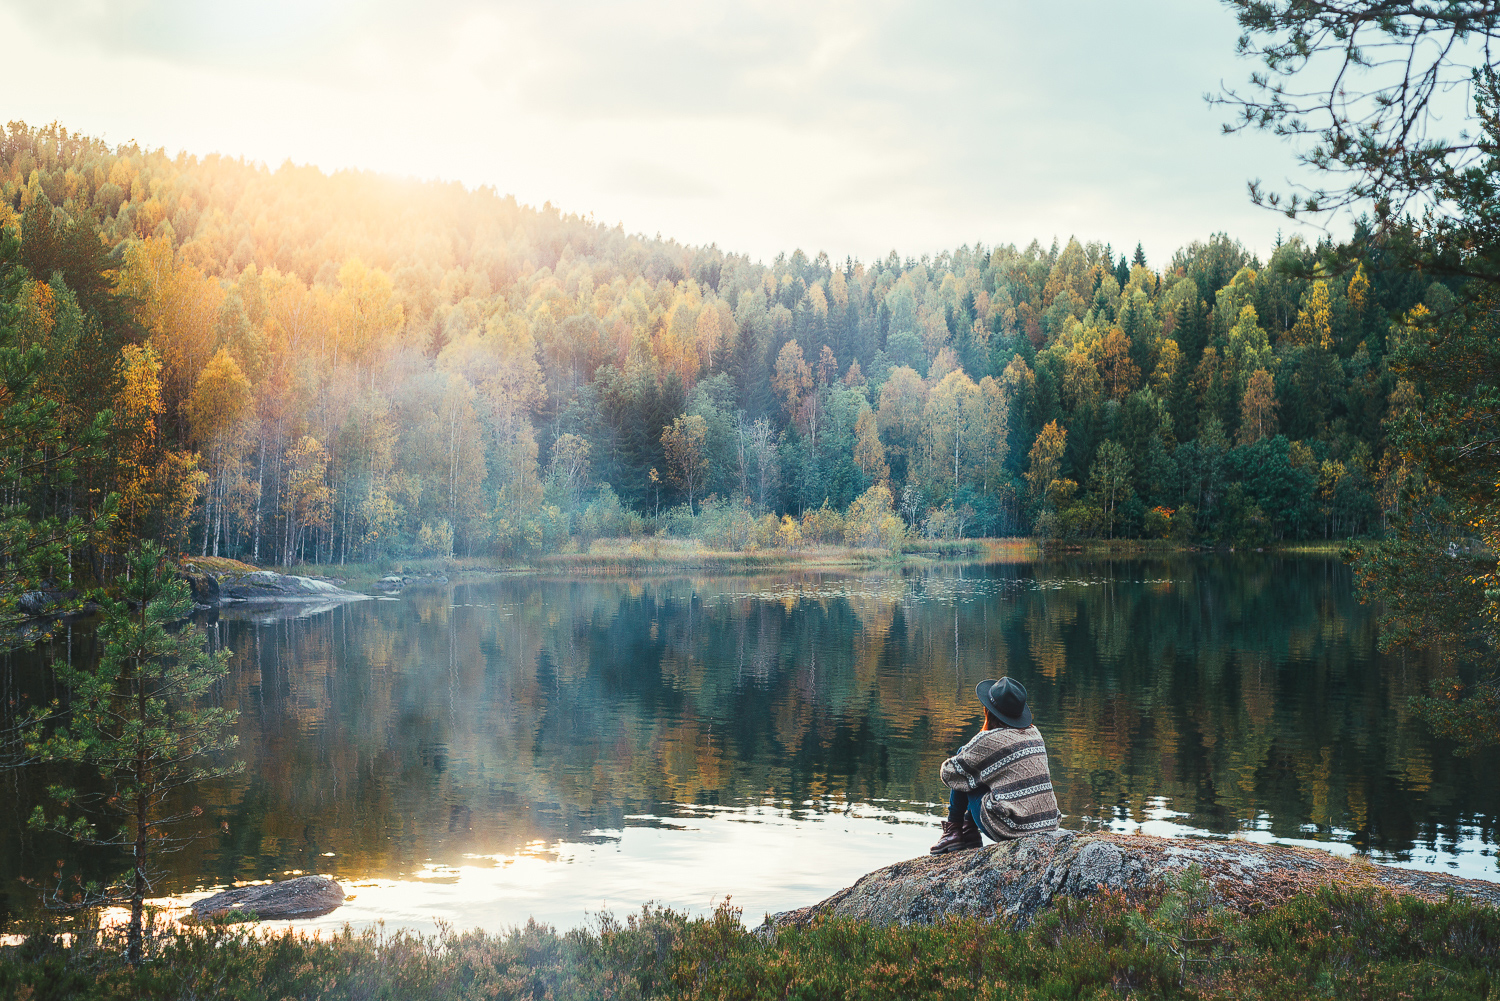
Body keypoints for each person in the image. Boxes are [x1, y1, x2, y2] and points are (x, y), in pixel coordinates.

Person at [930, 676, 1059, 854]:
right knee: (978, 769)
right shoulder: (1034, 733)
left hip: (1012, 828)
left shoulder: (989, 740)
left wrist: (972, 753)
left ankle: (954, 831)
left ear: (988, 710)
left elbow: (950, 773)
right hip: (1046, 823)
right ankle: (968, 831)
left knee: (964, 766)